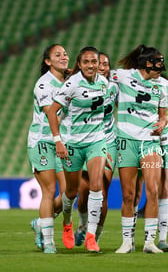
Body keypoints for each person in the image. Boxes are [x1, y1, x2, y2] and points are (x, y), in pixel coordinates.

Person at [110, 44, 168, 254]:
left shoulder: (162, 86)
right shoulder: (121, 76)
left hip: (150, 142)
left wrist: (163, 122)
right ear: (147, 64)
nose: (160, 71)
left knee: (153, 191)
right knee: (128, 195)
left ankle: (149, 242)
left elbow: (163, 115)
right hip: (126, 140)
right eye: (158, 66)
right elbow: (100, 76)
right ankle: (127, 242)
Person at [47, 46, 108, 253]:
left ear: (99, 64)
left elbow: (106, 113)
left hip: (96, 141)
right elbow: (53, 112)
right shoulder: (71, 84)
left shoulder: (104, 83)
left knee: (96, 185)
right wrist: (58, 141)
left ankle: (91, 235)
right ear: (80, 65)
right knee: (71, 191)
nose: (91, 66)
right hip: (72, 143)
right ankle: (66, 222)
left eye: (94, 62)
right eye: (86, 62)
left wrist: (106, 141)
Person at [130, 72, 168, 253]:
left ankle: (162, 238)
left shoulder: (167, 87)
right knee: (135, 190)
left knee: (164, 186)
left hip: (164, 141)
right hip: (139, 141)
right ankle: (130, 239)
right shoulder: (135, 86)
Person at [27, 44, 69, 253]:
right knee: (49, 190)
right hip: (44, 140)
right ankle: (49, 242)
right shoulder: (44, 85)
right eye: (57, 55)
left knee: (71, 191)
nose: (64, 57)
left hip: (63, 141)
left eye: (65, 54)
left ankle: (41, 223)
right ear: (48, 61)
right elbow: (51, 113)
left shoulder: (69, 81)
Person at [74, 52, 118, 246]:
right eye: (99, 63)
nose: (102, 67)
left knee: (102, 189)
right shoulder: (81, 85)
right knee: (83, 191)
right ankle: (83, 225)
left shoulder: (115, 87)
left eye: (106, 64)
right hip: (87, 139)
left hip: (108, 141)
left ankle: (95, 237)